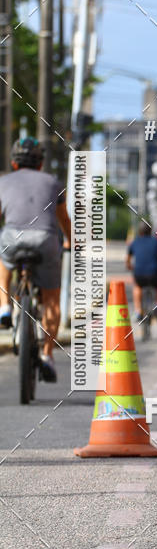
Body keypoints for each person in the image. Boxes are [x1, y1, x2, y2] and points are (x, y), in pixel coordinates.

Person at [0, 137, 71, 383]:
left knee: (3, 262)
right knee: (52, 299)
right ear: (41, 163)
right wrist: (71, 242)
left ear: (13, 163)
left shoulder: (3, 182)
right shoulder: (53, 182)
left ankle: (4, 307)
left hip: (12, 237)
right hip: (45, 240)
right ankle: (47, 354)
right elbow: (64, 220)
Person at [126, 221, 157, 323]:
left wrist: (130, 266)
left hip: (139, 275)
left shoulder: (135, 242)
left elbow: (128, 259)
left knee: (137, 287)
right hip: (155, 275)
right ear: (151, 231)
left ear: (139, 231)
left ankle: (138, 312)